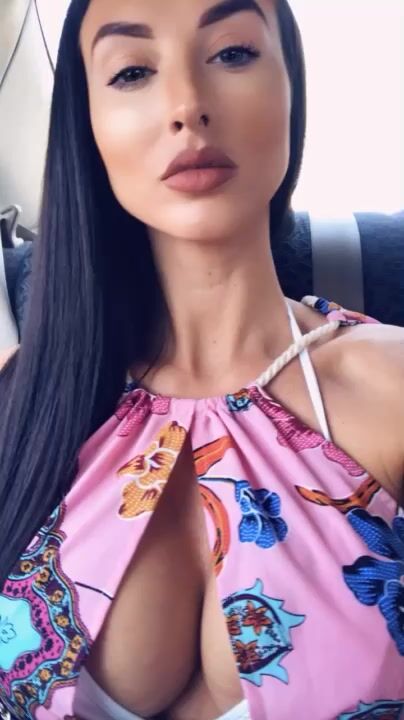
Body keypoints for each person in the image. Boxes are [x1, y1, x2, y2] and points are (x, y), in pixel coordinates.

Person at [0, 0, 404, 718]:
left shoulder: (393, 389)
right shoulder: (23, 399)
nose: (187, 106)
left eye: (232, 53)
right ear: (87, 126)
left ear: (291, 88)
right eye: (132, 72)